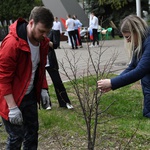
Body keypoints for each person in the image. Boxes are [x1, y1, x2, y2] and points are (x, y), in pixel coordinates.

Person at [0, 6, 54, 149]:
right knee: (16, 137)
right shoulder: (12, 44)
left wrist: (43, 88)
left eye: (47, 32)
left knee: (32, 134)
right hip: (12, 98)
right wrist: (12, 107)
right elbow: (3, 78)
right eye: (41, 31)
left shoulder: (42, 43)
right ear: (31, 23)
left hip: (29, 96)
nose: (44, 35)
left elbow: (39, 68)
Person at [97, 15, 150, 118]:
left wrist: (112, 83)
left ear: (136, 31)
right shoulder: (141, 42)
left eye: (127, 37)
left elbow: (140, 71)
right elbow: (132, 67)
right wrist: (112, 84)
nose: (127, 41)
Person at [45, 30, 74, 109]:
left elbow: (55, 45)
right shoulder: (35, 32)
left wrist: (46, 40)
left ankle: (65, 102)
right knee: (42, 83)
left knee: (57, 82)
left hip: (50, 59)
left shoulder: (52, 32)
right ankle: (46, 103)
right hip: (39, 61)